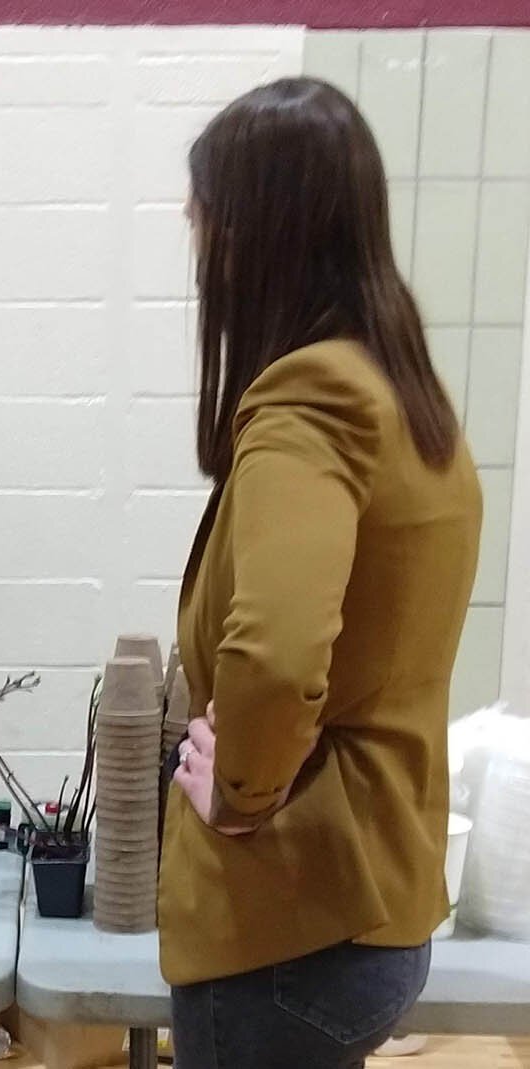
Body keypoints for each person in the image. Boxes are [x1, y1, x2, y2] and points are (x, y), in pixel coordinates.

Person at [159, 78, 483, 1069]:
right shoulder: (399, 389)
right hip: (375, 902)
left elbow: (276, 647)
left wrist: (241, 792)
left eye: (202, 213)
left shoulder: (308, 395)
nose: (192, 235)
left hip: (292, 918)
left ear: (255, 230)